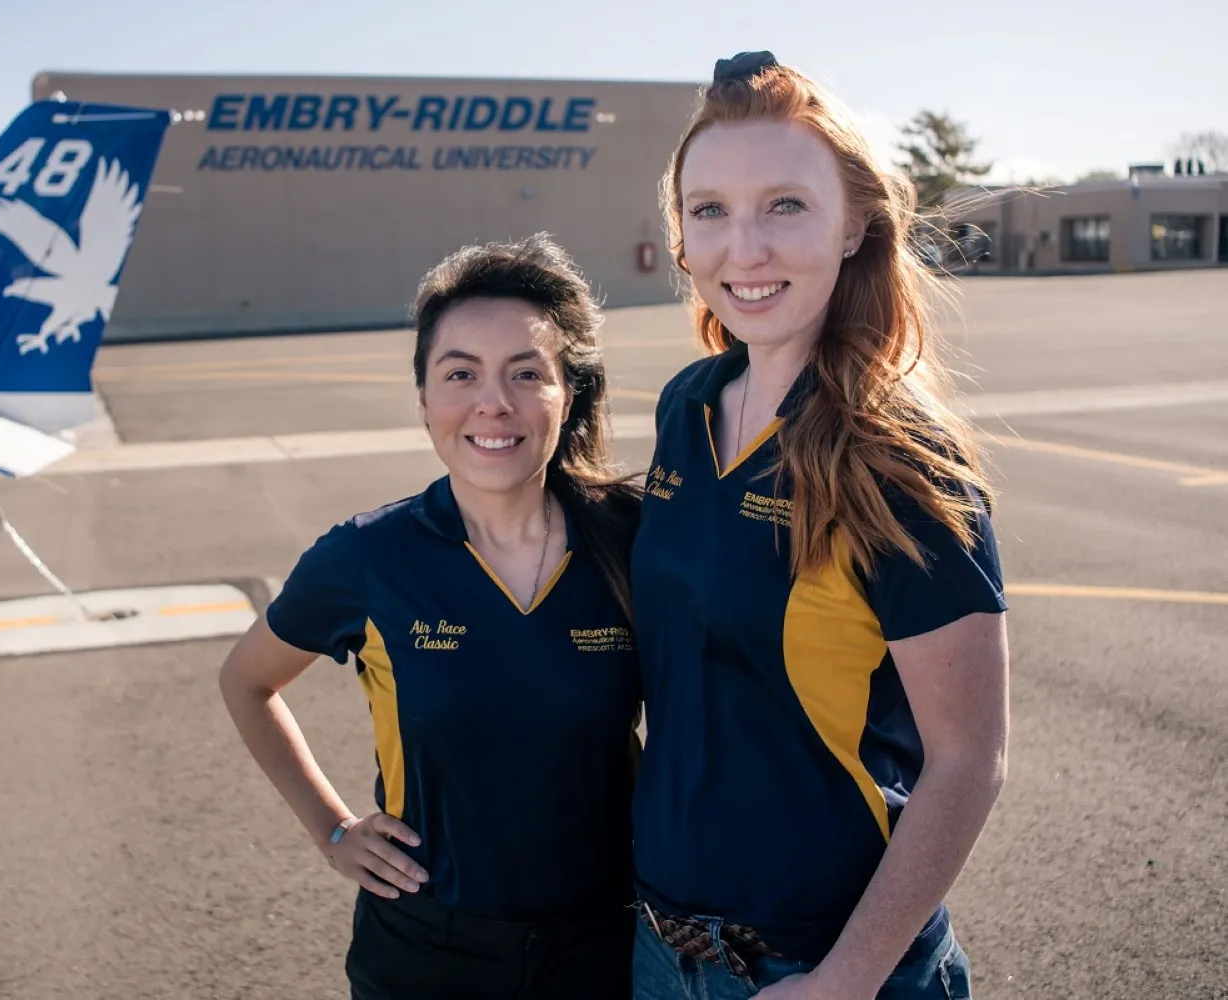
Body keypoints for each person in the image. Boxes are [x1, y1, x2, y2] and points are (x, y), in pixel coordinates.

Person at [627, 51, 1010, 1000]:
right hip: (661, 951)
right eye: (709, 209)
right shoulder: (688, 404)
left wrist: (846, 978)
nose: (742, 249)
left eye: (784, 205)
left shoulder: (898, 454)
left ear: (854, 228)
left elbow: (969, 759)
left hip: (818, 967)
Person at [218, 233, 645, 1000]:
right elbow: (246, 683)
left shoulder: (630, 540)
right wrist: (334, 831)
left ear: (567, 394)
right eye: (461, 374)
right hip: (427, 953)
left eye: (526, 373)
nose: (494, 403)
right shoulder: (368, 557)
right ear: (424, 401)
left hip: (606, 948)